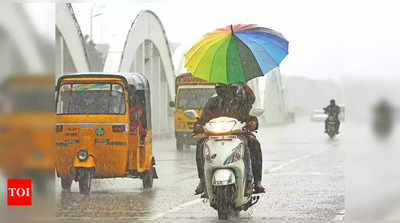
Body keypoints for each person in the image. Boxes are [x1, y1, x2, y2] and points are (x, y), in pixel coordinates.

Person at [194, 83, 265, 196]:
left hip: (239, 135)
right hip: (214, 136)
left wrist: (252, 123)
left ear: (235, 89)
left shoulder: (242, 102)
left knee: (253, 143)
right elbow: (203, 119)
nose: (225, 92)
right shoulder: (212, 103)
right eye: (221, 88)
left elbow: (252, 118)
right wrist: (198, 126)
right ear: (218, 89)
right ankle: (203, 180)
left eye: (229, 89)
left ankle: (253, 181)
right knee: (201, 144)